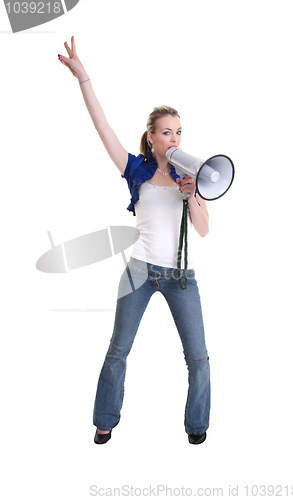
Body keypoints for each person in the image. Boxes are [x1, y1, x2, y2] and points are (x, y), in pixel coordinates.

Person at [58, 37, 211, 445]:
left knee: (197, 357)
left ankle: (197, 425)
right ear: (152, 136)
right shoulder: (135, 169)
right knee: (118, 349)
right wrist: (83, 77)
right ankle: (105, 418)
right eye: (166, 132)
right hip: (140, 271)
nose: (174, 137)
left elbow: (204, 230)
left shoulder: (191, 178)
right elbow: (102, 126)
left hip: (181, 276)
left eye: (179, 130)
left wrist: (192, 194)